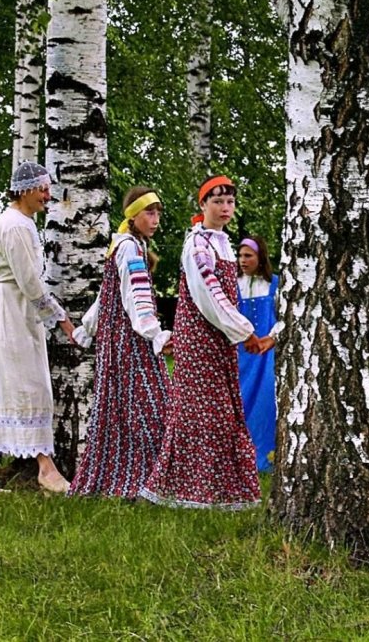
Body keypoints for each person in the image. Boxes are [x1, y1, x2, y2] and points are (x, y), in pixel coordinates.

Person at [139, 175, 264, 510]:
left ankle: (220, 491)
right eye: (218, 201)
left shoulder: (222, 242)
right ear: (203, 204)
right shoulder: (198, 244)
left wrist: (235, 331)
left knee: (221, 411)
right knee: (200, 413)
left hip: (219, 338)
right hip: (200, 337)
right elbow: (210, 295)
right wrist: (243, 330)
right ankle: (188, 492)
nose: (225, 208)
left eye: (230, 202)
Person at [0, 162, 76, 494]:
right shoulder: (15, 226)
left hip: (6, 308)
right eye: (42, 189)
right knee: (29, 383)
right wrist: (61, 319)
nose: (47, 195)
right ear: (25, 190)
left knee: (4, 385)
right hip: (10, 310)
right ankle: (46, 469)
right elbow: (30, 283)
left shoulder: (13, 222)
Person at [69, 187, 172, 498]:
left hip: (117, 341)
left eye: (157, 213)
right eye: (149, 212)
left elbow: (107, 295)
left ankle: (122, 476)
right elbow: (136, 297)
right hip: (131, 341)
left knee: (122, 408)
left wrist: (86, 330)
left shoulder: (125, 245)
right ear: (133, 216)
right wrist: (157, 333)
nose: (155, 219)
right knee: (151, 405)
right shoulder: (129, 248)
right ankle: (145, 479)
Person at [236, 235, 281, 472]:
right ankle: (239, 458)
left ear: (260, 257)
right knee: (241, 401)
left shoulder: (274, 284)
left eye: (248, 255)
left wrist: (272, 336)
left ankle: (264, 457)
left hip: (266, 354)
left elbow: (284, 316)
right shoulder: (233, 285)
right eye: (240, 255)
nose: (242, 260)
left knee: (265, 402)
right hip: (242, 353)